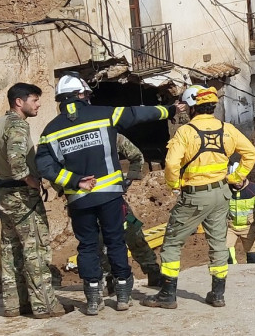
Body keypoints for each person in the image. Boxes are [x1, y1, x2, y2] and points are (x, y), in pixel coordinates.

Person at [35, 73, 182, 315]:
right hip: (111, 196)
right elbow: (137, 114)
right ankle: (123, 296)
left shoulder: (50, 130)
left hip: (79, 200)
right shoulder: (104, 114)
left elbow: (44, 166)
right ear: (82, 95)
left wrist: (73, 180)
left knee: (87, 247)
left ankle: (93, 299)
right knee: (115, 241)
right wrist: (169, 110)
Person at [143, 86, 255, 310]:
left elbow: (172, 163)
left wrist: (174, 184)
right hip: (221, 194)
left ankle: (167, 294)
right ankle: (217, 294)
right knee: (217, 244)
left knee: (173, 243)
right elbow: (251, 153)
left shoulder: (185, 132)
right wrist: (236, 177)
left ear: (192, 108)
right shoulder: (228, 129)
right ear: (212, 107)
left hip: (195, 196)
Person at [0, 83, 68, 319]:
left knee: (10, 251)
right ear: (19, 102)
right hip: (22, 197)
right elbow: (17, 160)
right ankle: (44, 306)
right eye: (35, 100)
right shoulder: (18, 125)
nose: (38, 104)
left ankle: (14, 305)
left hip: (4, 195)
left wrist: (1, 171)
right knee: (35, 251)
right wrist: (28, 179)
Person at [98, 134, 161, 294]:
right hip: (90, 203)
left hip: (116, 201)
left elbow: (136, 155)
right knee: (99, 242)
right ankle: (109, 278)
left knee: (133, 231)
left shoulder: (110, 135)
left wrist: (129, 179)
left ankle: (152, 270)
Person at [227, 174, 255, 265]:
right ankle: (232, 275)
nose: (238, 182)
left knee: (252, 257)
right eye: (235, 180)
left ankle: (254, 277)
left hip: (249, 227)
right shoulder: (224, 190)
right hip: (230, 227)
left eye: (240, 179)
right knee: (226, 253)